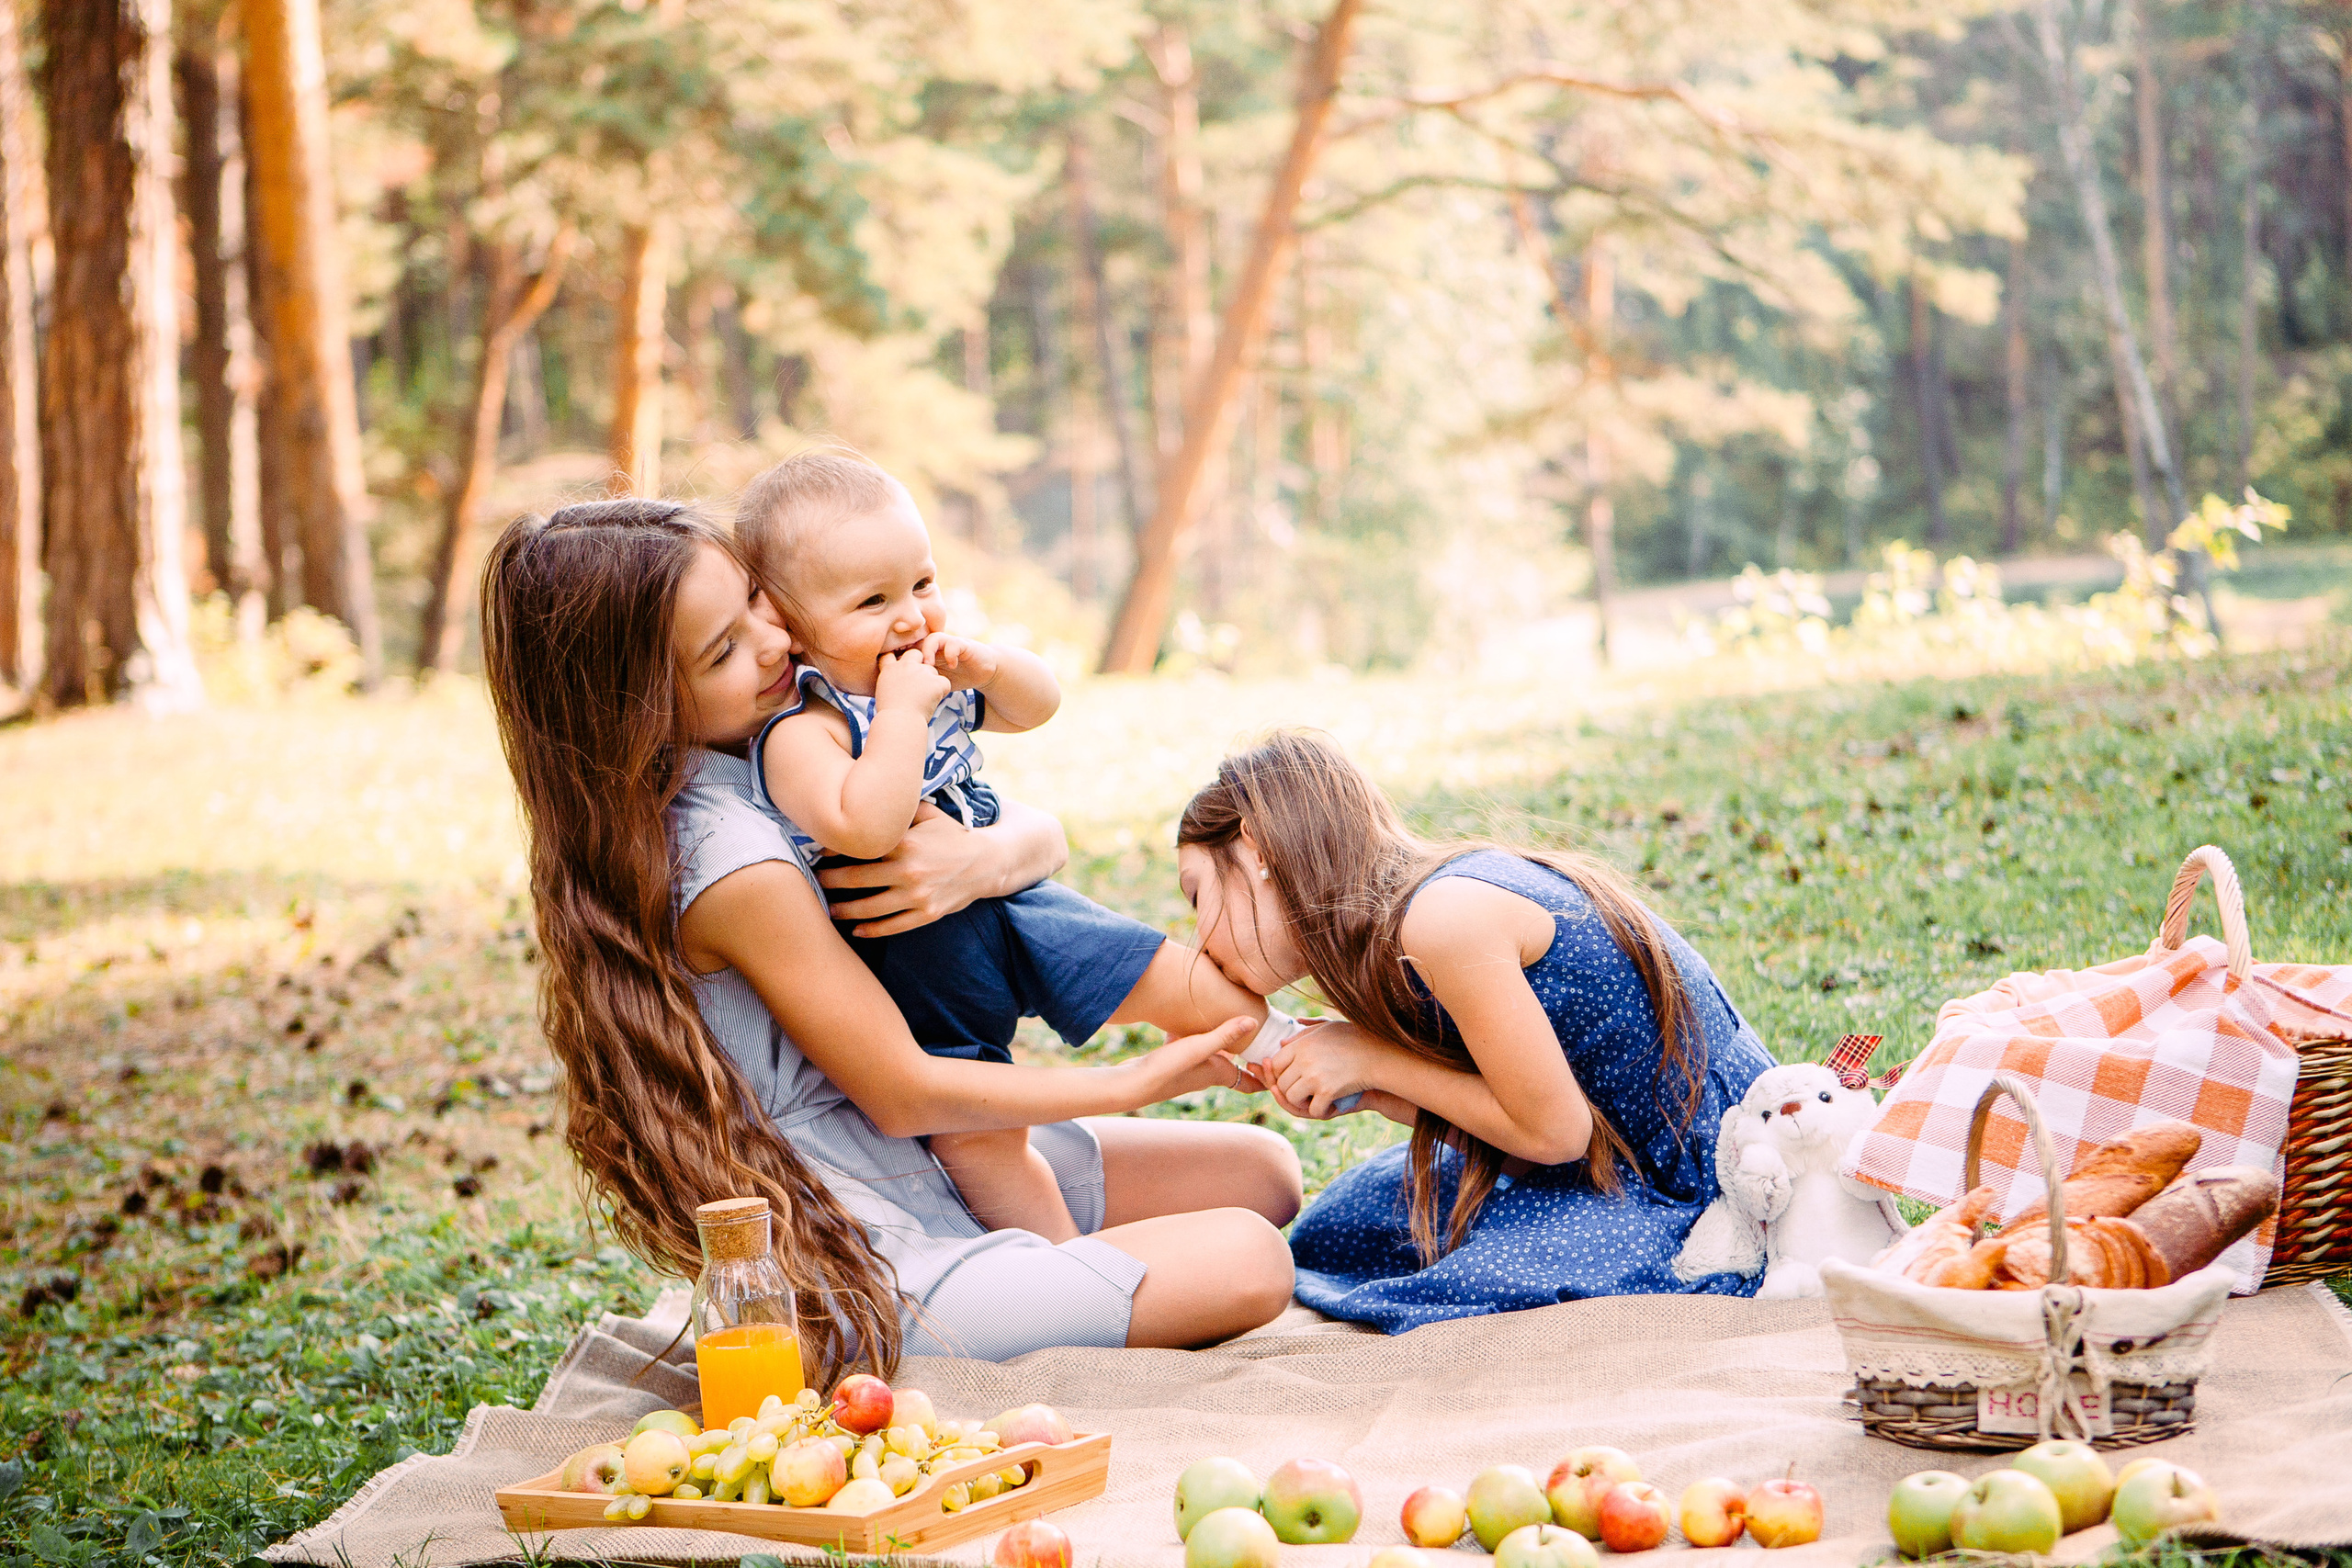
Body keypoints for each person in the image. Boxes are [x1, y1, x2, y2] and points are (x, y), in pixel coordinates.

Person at [479, 499, 1300, 1384]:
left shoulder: (771, 745)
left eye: (758, 599)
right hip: (868, 1245)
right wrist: (1131, 1080)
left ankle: (1062, 1274)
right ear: (632, 707)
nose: (772, 641)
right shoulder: (726, 859)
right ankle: (1040, 1283)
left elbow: (1021, 829)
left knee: (1265, 1171)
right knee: (1253, 1258)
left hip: (924, 1161)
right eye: (722, 649)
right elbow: (904, 1092)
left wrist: (988, 856)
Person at [735, 451, 1269, 1241]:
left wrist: (988, 666)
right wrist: (903, 715)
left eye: (921, 583)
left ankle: (1341, 1068)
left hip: (1017, 905)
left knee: (1203, 992)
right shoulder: (802, 733)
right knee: (985, 1138)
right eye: (871, 601)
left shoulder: (933, 671)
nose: (912, 617)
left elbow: (1036, 707)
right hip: (920, 966)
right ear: (790, 623)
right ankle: (1069, 1270)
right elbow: (866, 825)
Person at [1173, 730, 1772, 1333]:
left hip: (1703, 1173)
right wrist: (1377, 1090)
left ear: (1254, 847)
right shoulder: (1405, 930)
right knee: (1339, 1230)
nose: (1199, 940)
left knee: (1477, 1273)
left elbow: (1558, 1133)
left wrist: (1373, 1061)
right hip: (1605, 1161)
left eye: (1197, 894)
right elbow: (1521, 1134)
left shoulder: (1443, 919)